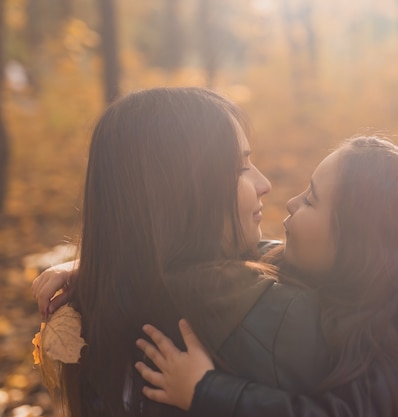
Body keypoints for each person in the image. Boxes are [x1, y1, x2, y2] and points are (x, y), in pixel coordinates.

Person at [133, 137, 398, 417]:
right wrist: (88, 270)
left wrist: (205, 391)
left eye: (310, 199)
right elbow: (245, 257)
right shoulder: (356, 282)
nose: (289, 202)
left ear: (361, 239)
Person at [31, 87, 332, 417]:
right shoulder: (272, 314)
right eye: (241, 167)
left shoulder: (97, 316)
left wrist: (97, 269)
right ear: (185, 192)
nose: (265, 184)